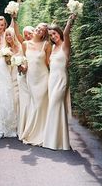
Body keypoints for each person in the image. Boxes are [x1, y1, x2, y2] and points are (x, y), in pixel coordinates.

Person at [43, 14, 76, 150]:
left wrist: (69, 21)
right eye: (50, 35)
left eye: (54, 33)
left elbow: (67, 33)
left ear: (59, 32)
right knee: (55, 106)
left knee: (55, 105)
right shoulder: (53, 48)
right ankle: (60, 141)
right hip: (52, 79)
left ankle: (51, 140)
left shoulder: (65, 45)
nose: (53, 36)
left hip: (61, 79)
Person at [21, 23, 51, 145]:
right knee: (35, 105)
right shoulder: (25, 44)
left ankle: (42, 134)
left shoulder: (46, 45)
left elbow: (48, 63)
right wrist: (21, 67)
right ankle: (32, 132)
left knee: (40, 105)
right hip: (31, 79)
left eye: (42, 30)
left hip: (43, 78)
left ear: (44, 34)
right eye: (38, 28)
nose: (39, 31)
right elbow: (25, 63)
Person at [4, 27, 22, 122]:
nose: (8, 37)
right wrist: (7, 58)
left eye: (9, 34)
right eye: (6, 35)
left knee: (20, 98)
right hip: (10, 76)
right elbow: (6, 64)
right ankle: (14, 121)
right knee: (13, 99)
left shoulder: (20, 46)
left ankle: (21, 121)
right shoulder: (5, 49)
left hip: (20, 75)